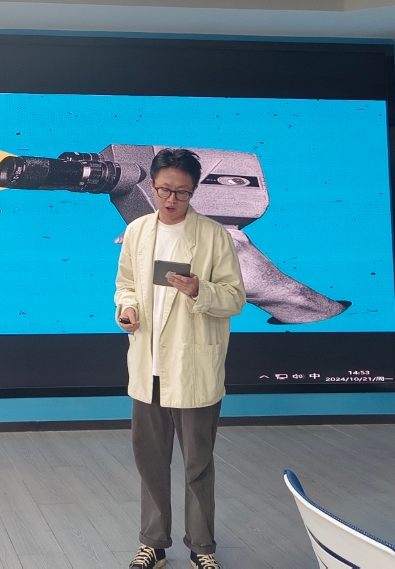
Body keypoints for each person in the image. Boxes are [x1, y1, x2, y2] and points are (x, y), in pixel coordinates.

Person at [115, 148, 246, 569]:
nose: (171, 200)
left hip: (192, 368)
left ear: (194, 191)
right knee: (150, 462)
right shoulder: (137, 231)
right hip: (148, 366)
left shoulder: (213, 236)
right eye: (164, 190)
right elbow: (126, 284)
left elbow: (235, 298)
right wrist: (127, 309)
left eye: (182, 193)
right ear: (151, 186)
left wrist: (198, 290)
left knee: (197, 464)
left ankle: (202, 548)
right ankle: (153, 543)